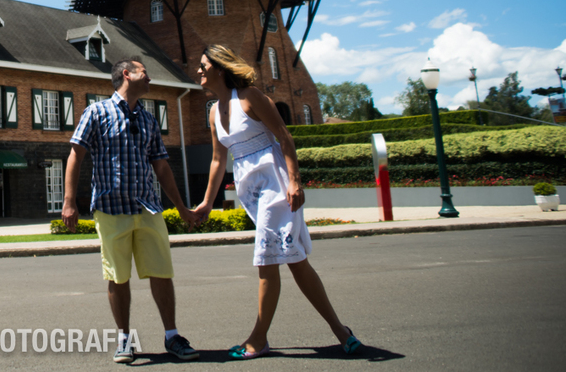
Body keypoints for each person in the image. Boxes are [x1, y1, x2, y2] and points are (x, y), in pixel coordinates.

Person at [192, 44, 362, 359]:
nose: (198, 71)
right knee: (295, 260)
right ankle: (341, 332)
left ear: (219, 67)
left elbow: (284, 136)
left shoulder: (251, 96)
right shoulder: (214, 111)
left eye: (203, 65)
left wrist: (295, 182)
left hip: (275, 184)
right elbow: (218, 159)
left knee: (266, 257)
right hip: (251, 190)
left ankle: (258, 338)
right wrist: (206, 202)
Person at [62, 56, 200, 364]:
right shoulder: (96, 112)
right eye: (144, 73)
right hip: (111, 209)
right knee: (118, 276)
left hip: (148, 207)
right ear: (127, 74)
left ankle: (172, 335)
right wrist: (70, 201)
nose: (150, 79)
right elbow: (75, 155)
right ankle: (124, 338)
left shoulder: (149, 119)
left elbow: (161, 166)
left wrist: (180, 207)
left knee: (162, 273)